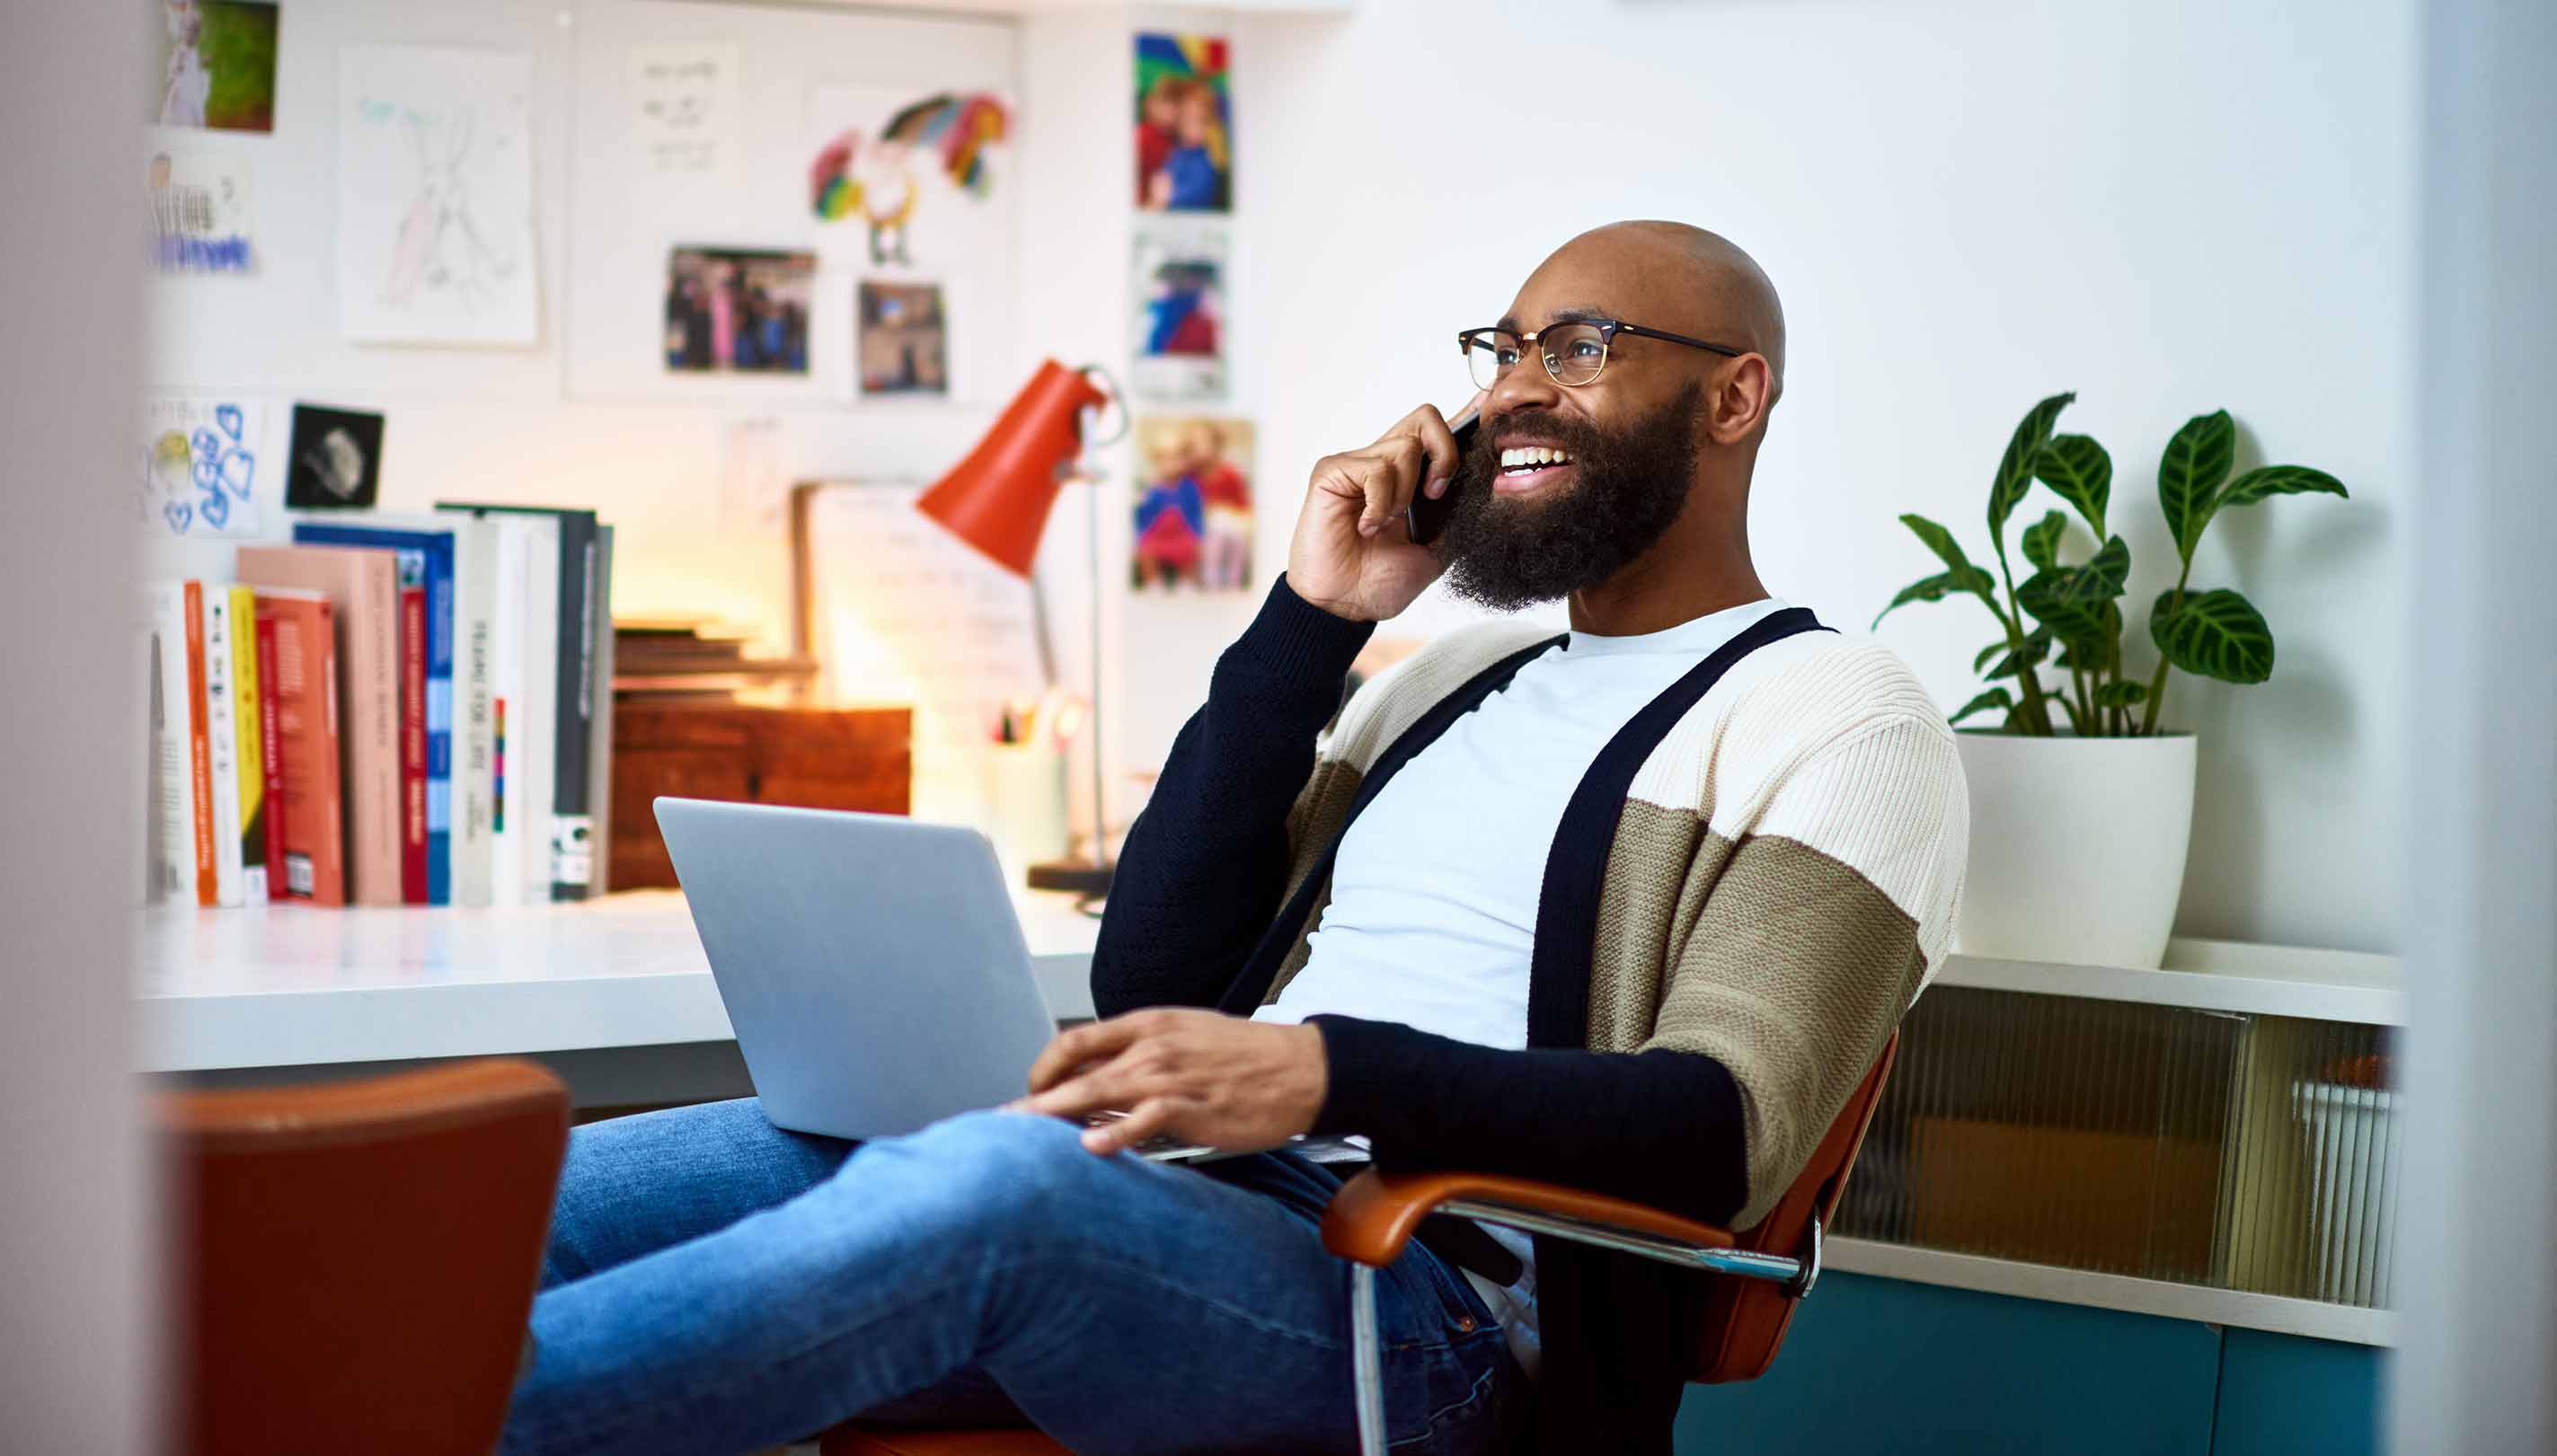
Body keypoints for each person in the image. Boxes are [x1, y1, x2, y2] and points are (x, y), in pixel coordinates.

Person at [499, 221, 1967, 1456]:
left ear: (1733, 399)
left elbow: (1715, 1128)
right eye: (1502, 351)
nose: (1515, 391)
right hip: (1175, 1204)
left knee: (993, 1190)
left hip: (1422, 1305)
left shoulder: (1837, 719)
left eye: (1578, 348)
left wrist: (1321, 1071)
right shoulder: (1446, 681)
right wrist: (1315, 617)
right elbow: (1159, 970)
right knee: (537, 1197)